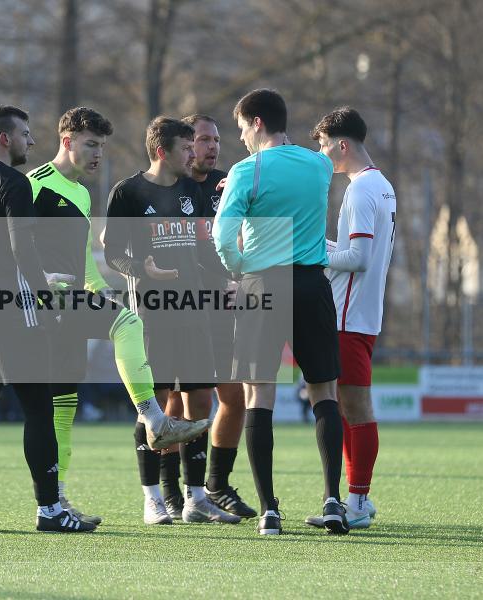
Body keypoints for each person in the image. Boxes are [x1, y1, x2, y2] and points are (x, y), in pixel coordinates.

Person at [27, 107, 209, 525]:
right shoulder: (35, 185)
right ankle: (154, 417)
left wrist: (99, 290)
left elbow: (83, 259)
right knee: (128, 323)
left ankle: (56, 501)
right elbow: (12, 242)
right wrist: (36, 279)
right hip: (44, 308)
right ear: (67, 141)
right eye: (91, 144)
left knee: (64, 406)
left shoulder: (81, 194)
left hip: (72, 304)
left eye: (102, 146)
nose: (98, 154)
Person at [0, 104, 92, 533]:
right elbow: (20, 247)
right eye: (26, 134)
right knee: (39, 409)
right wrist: (45, 297)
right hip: (13, 311)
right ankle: (50, 511)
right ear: (5, 138)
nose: (31, 141)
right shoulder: (14, 183)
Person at [213, 89, 346, 535]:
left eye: (241, 129)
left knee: (259, 395)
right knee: (324, 392)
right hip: (311, 284)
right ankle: (332, 501)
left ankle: (269, 509)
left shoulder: (245, 171)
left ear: (256, 123)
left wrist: (238, 268)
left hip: (262, 285)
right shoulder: (319, 165)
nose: (241, 139)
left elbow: (222, 237)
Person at [105, 116, 239, 526]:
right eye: (186, 148)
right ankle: (152, 500)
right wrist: (142, 271)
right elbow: (112, 252)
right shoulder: (127, 192)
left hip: (194, 312)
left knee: (200, 401)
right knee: (157, 406)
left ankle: (195, 498)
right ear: (163, 151)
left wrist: (231, 277)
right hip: (151, 316)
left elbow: (204, 249)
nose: (193, 154)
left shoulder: (190, 191)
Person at [156, 115, 256, 521]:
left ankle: (216, 485)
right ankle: (170, 489)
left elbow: (240, 235)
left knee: (234, 397)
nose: (211, 147)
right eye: (202, 140)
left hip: (223, 308)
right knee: (176, 401)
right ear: (183, 144)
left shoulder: (226, 184)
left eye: (215, 139)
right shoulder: (170, 187)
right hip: (182, 308)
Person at [302, 107, 396, 530]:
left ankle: (356, 502)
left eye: (324, 146)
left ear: (342, 145)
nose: (322, 154)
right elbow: (357, 252)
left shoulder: (360, 191)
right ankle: (360, 496)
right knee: (346, 405)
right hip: (362, 312)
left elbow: (357, 259)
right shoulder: (381, 185)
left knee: (355, 407)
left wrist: (316, 254)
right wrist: (322, 245)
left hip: (348, 314)